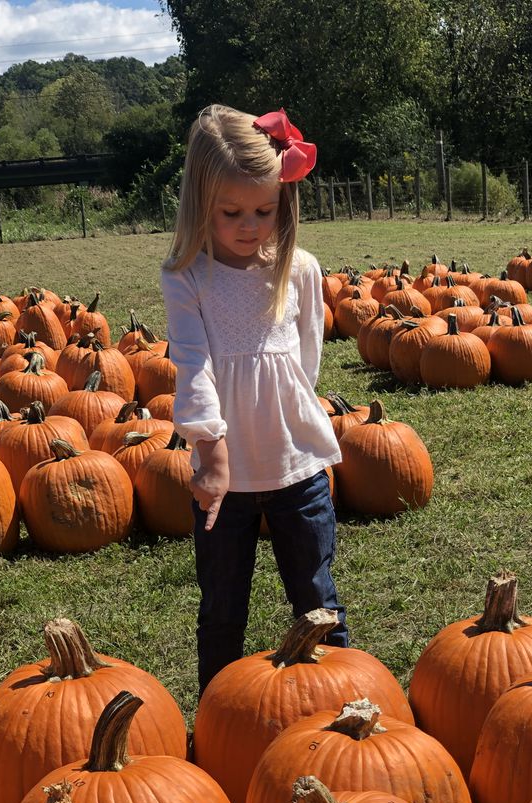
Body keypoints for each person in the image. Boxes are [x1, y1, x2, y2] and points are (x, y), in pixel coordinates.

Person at [161, 103, 349, 695]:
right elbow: (192, 364)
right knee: (222, 608)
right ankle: (218, 714)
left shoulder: (298, 270)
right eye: (231, 212)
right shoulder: (188, 277)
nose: (250, 225)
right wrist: (210, 451)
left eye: (265, 210)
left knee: (317, 597)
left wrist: (296, 415)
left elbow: (305, 360)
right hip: (225, 481)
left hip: (298, 467)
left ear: (283, 201)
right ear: (201, 205)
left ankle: (344, 700)